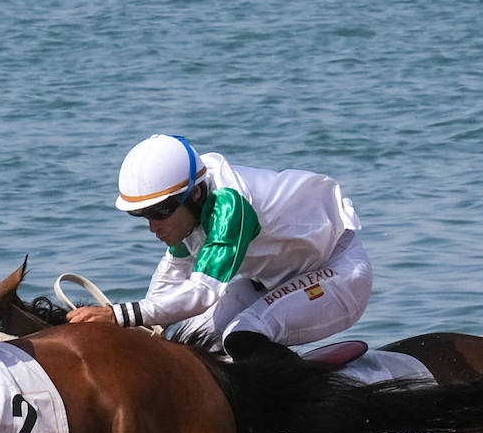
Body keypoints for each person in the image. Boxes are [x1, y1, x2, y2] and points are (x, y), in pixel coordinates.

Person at [68, 133, 372, 362]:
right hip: (274, 281)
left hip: (337, 272)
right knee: (189, 340)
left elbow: (202, 293)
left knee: (242, 336)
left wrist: (120, 315)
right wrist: (128, 327)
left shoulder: (230, 207)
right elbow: (169, 283)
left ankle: (307, 404)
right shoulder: (190, 209)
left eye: (160, 213)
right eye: (143, 215)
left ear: (196, 193)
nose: (152, 226)